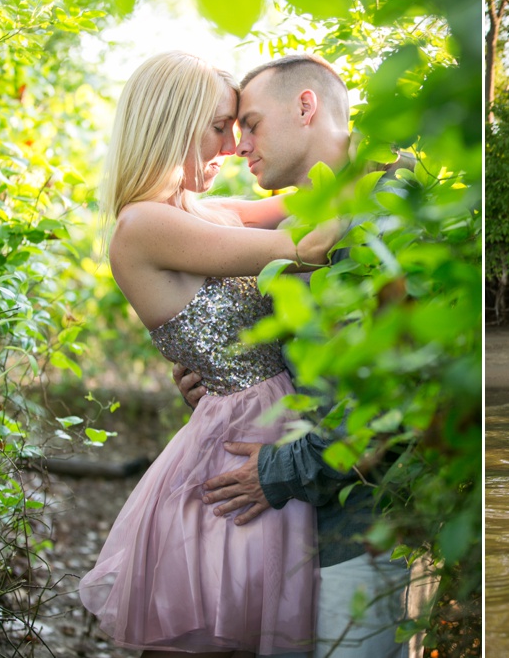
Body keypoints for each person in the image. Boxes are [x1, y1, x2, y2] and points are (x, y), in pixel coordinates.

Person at [79, 51, 343, 656]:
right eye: (221, 125)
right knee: (216, 636)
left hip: (270, 428)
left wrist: (370, 153)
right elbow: (311, 245)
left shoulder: (210, 213)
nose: (233, 145)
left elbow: (315, 193)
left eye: (241, 126)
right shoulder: (143, 225)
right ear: (175, 122)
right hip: (236, 444)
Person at [173, 53, 429, 658]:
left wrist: (276, 471)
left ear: (306, 106)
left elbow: (394, 397)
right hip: (298, 530)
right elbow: (315, 357)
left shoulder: (390, 209)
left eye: (253, 124)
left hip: (361, 533)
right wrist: (221, 375)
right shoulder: (318, 211)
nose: (240, 146)